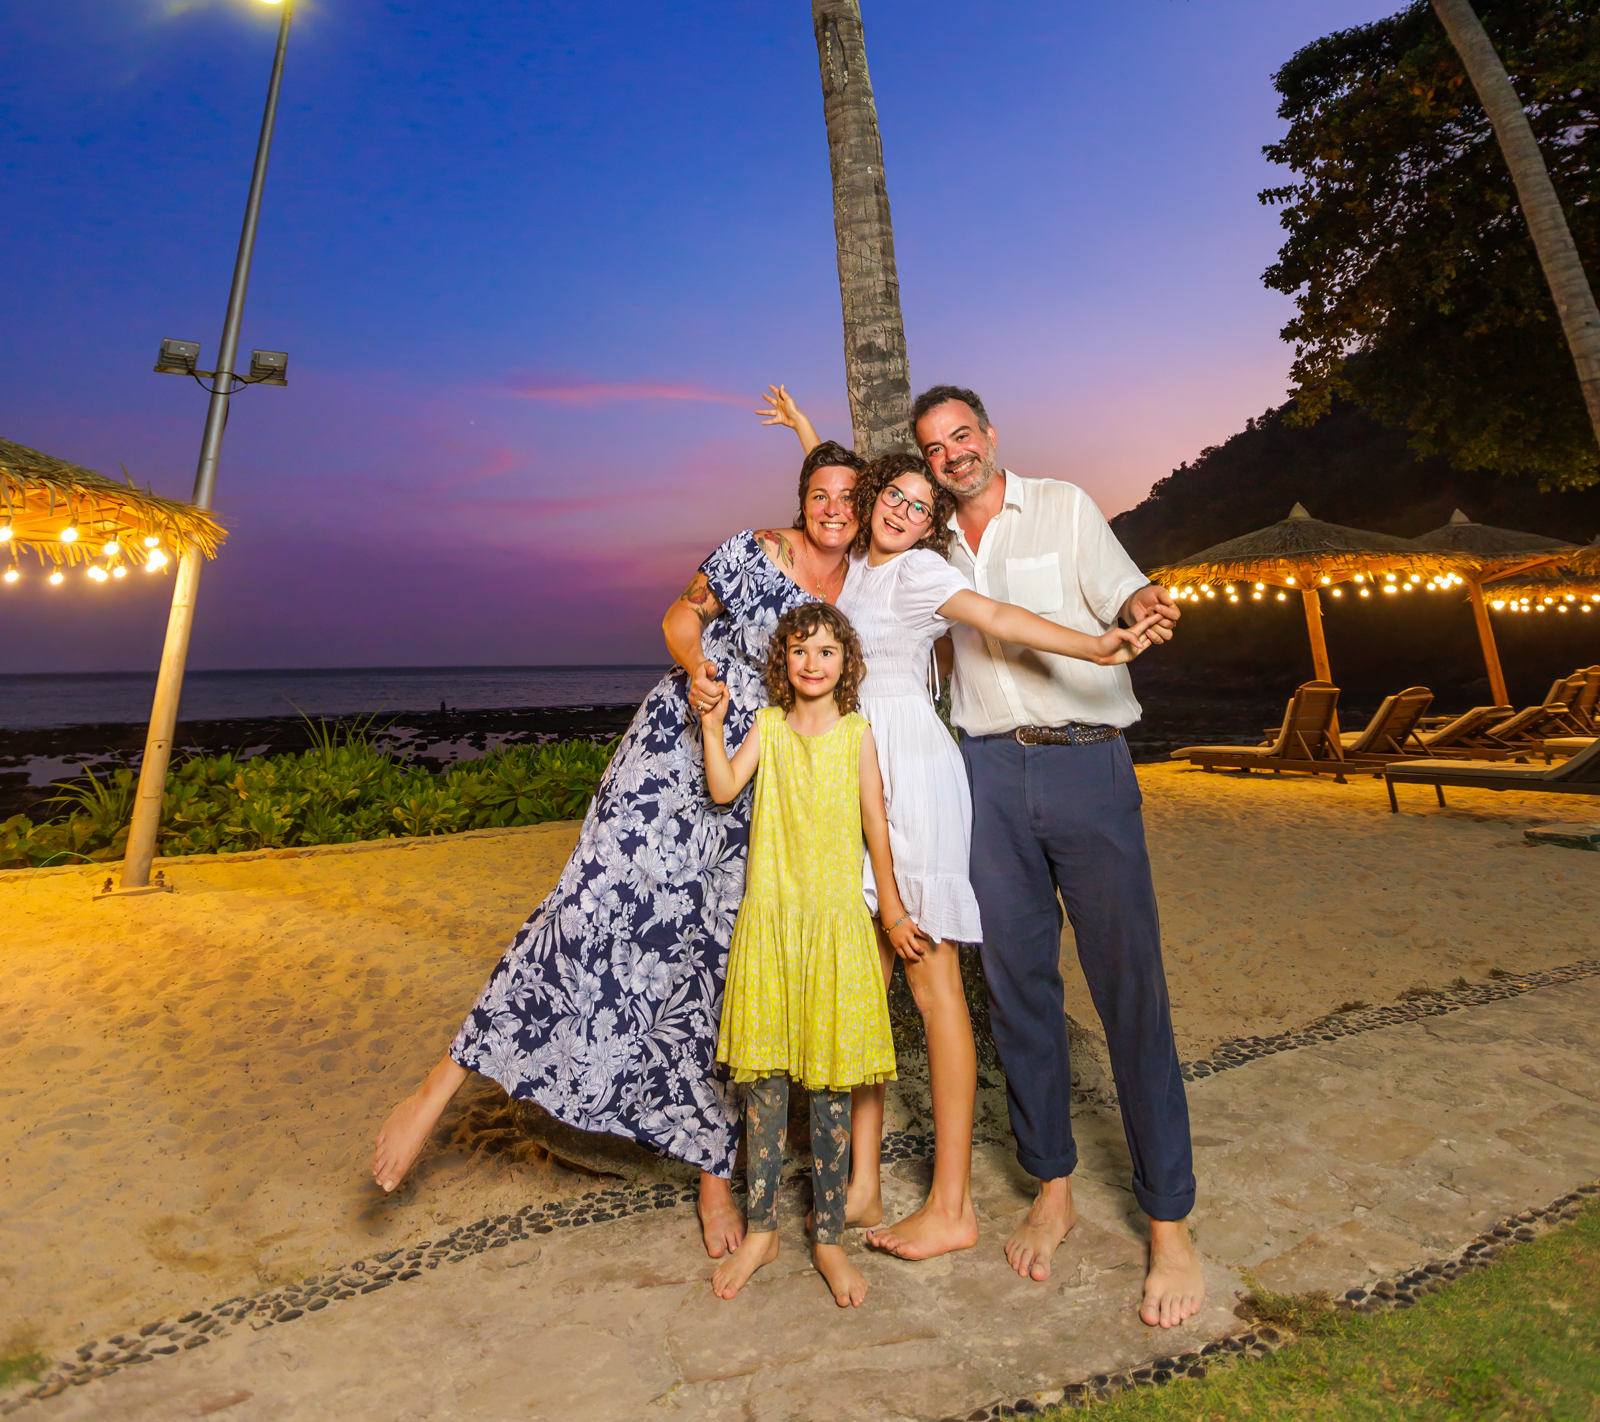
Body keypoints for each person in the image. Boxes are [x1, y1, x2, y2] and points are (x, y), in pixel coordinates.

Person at [372, 429, 864, 1263]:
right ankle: (441, 1083)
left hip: (764, 777)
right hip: (677, 749)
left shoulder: (865, 579)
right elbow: (680, 618)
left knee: (719, 957)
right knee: (588, 908)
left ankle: (714, 1167)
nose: (835, 510)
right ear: (801, 498)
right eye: (821, 493)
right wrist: (699, 667)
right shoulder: (752, 550)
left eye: (848, 499)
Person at [912, 385, 1203, 1331]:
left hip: (1088, 767)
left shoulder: (1065, 505)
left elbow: (1126, 591)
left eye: (963, 435)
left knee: (1131, 991)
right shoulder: (930, 550)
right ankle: (1053, 1185)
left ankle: (1169, 1223)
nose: (954, 453)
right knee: (1019, 992)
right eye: (936, 446)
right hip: (987, 781)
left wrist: (1149, 604)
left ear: (990, 436)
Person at [833, 444, 1165, 1265]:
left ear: (930, 522)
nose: (904, 512)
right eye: (895, 496)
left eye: (920, 506)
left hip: (912, 772)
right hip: (857, 772)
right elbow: (830, 488)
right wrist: (802, 426)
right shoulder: (852, 570)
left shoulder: (921, 576)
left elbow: (1001, 620)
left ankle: (953, 1207)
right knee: (868, 976)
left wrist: (1092, 648)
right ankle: (864, 1181)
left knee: (934, 979)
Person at [701, 601, 913, 1306]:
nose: (812, 662)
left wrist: (893, 906)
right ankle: (762, 1232)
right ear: (782, 664)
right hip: (772, 924)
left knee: (828, 1092)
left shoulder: (858, 734)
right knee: (763, 1092)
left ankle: (828, 1238)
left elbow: (876, 825)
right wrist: (709, 722)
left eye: (825, 651)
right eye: (799, 651)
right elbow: (725, 787)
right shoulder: (765, 727)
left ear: (845, 663)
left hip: (833, 927)